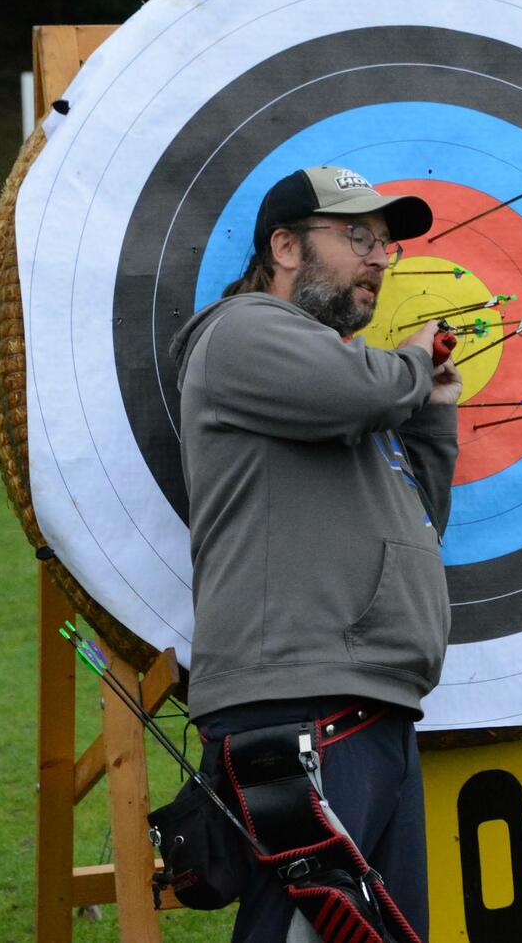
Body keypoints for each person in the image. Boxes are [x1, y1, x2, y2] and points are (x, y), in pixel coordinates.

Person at [171, 165, 461, 942]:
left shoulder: (342, 379)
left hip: (366, 702)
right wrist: (412, 364)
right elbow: (365, 391)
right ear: (285, 246)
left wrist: (432, 410)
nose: (378, 258)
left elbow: (419, 520)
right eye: (358, 236)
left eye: (386, 245)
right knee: (308, 932)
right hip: (298, 701)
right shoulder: (244, 332)